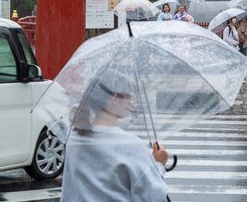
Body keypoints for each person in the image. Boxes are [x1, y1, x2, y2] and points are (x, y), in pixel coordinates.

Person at [61, 72, 169, 201]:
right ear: (114, 98)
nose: (131, 102)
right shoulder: (131, 145)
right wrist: (158, 165)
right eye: (128, 97)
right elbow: (153, 197)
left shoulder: (74, 137)